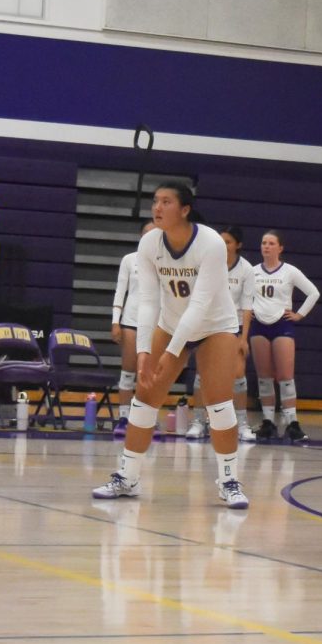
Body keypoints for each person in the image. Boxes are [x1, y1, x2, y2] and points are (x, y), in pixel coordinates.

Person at [91, 181, 248, 510]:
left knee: (219, 406)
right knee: (144, 399)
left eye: (166, 202)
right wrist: (145, 351)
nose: (157, 208)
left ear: (185, 210)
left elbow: (201, 305)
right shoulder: (149, 243)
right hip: (171, 323)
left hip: (215, 327)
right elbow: (148, 301)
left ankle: (229, 480)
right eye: (155, 201)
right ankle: (128, 477)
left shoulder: (211, 243)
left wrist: (174, 351)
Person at [186, 226, 256, 443]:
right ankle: (198, 420)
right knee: (201, 374)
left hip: (231, 326)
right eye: (221, 241)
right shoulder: (208, 262)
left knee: (238, 373)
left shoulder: (246, 269)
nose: (224, 245)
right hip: (207, 323)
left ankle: (242, 423)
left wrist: (244, 338)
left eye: (228, 241)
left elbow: (247, 306)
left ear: (238, 245)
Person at [249, 229, 320, 441]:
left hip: (282, 325)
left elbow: (314, 292)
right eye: (263, 243)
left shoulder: (289, 271)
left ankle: (292, 422)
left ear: (280, 248)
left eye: (271, 243)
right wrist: (246, 309)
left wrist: (299, 314)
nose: (266, 246)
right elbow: (239, 295)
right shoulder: (251, 272)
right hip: (258, 325)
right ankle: (268, 422)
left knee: (286, 377)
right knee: (264, 377)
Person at [110, 221, 154, 437]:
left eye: (154, 233)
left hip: (155, 324)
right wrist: (115, 321)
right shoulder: (129, 260)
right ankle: (124, 418)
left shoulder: (166, 261)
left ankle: (145, 419)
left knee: (148, 375)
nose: (149, 235)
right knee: (128, 372)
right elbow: (120, 291)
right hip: (130, 321)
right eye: (145, 232)